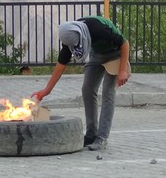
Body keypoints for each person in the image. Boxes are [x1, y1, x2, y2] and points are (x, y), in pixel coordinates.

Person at [31, 16, 131, 151]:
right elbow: (61, 65)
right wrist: (46, 90)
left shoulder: (97, 28)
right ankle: (91, 135)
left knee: (108, 93)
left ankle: (102, 138)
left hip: (115, 54)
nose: (74, 48)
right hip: (97, 54)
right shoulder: (69, 37)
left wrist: (123, 70)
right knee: (87, 90)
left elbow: (124, 43)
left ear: (80, 36)